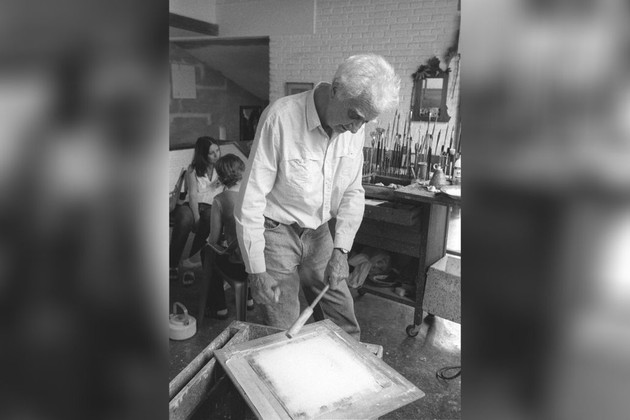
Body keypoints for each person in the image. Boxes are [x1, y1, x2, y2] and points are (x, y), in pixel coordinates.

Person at [235, 54, 400, 340]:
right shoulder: (280, 118)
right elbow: (250, 198)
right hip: (275, 233)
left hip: (320, 232)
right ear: (336, 90)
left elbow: (353, 191)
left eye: (366, 122)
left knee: (344, 321)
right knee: (281, 331)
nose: (356, 129)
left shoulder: (354, 127)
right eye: (354, 116)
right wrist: (256, 271)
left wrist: (342, 250)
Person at [203, 154, 253, 319]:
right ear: (242, 171)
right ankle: (249, 298)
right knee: (247, 246)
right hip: (259, 261)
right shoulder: (253, 194)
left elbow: (213, 239)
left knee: (206, 252)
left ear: (221, 177)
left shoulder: (219, 200)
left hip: (237, 265)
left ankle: (220, 307)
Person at [169, 136, 222, 282]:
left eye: (217, 150)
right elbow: (192, 195)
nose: (216, 155)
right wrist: (196, 218)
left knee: (210, 217)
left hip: (211, 206)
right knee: (185, 219)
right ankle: (172, 264)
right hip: (192, 204)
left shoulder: (223, 167)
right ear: (203, 155)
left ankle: (189, 265)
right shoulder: (192, 170)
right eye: (212, 153)